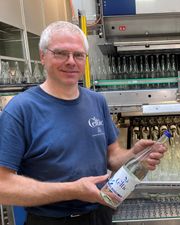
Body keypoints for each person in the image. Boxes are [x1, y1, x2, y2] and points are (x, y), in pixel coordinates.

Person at [0, 21, 167, 225]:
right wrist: (72, 190)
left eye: (78, 55)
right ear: (42, 56)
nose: (71, 61)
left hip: (100, 214)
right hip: (50, 220)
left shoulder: (96, 101)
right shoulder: (20, 109)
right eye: (61, 53)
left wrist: (134, 155)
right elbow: (3, 187)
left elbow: (111, 156)